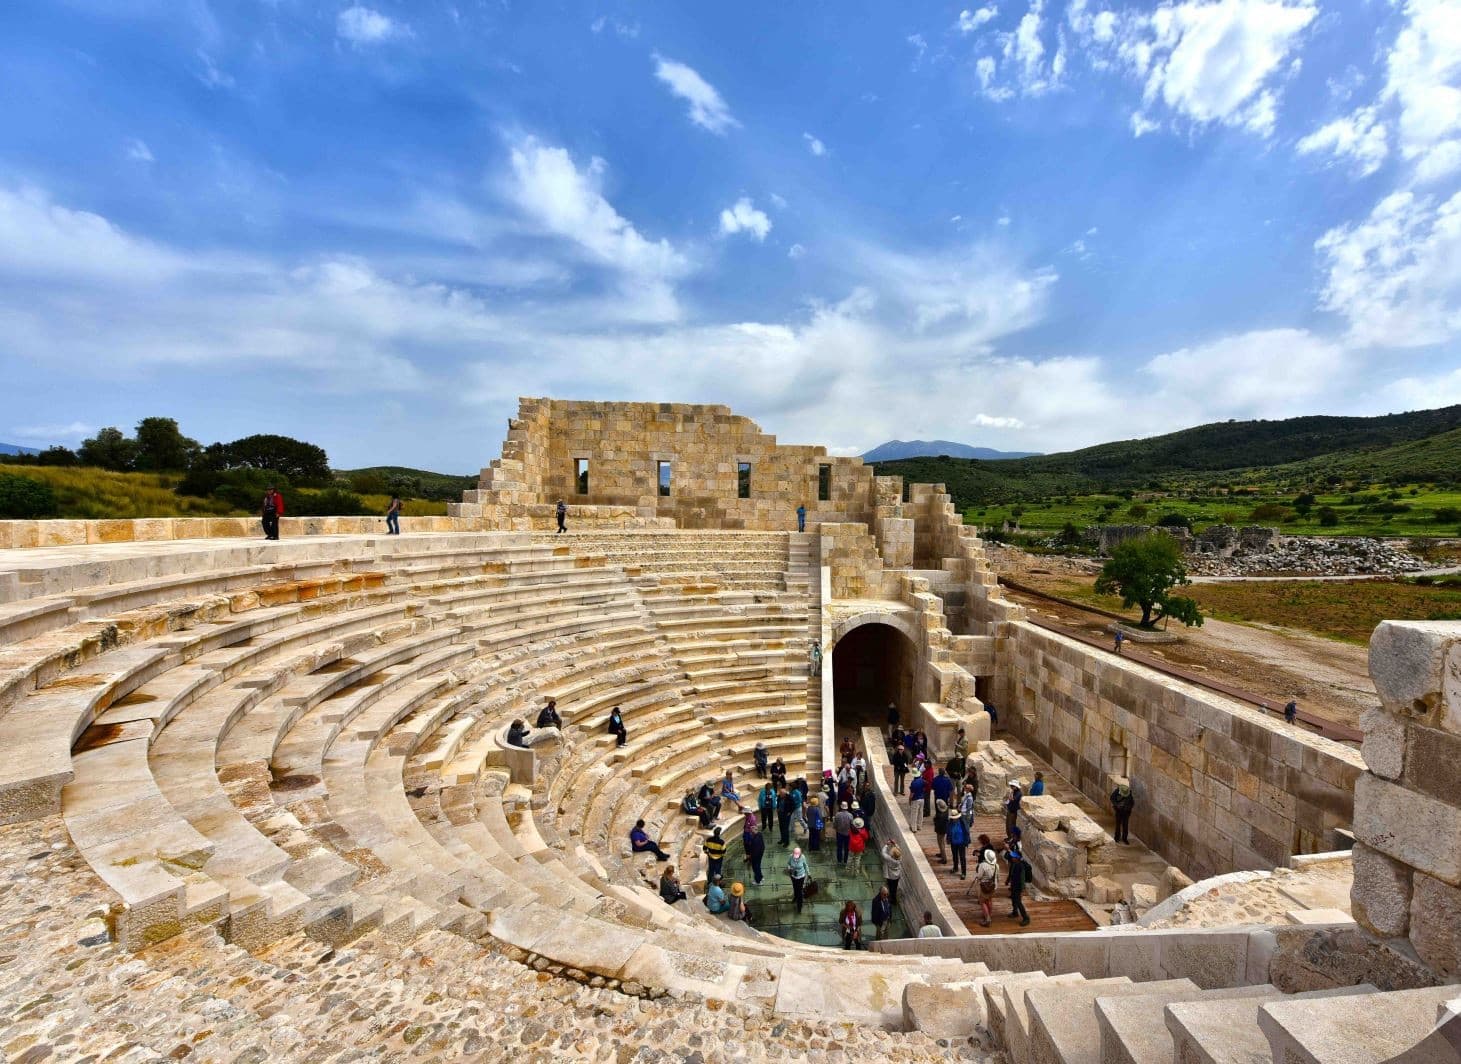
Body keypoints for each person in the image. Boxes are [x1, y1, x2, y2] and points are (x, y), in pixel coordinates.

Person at [1006, 846, 1031, 925]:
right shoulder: (1014, 863)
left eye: (1013, 856)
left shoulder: (1021, 866)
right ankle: (1015, 912)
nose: (1012, 857)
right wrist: (1008, 880)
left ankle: (1026, 918)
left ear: (1017, 858)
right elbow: (1011, 872)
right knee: (1013, 899)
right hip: (1013, 885)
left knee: (1018, 902)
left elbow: (1022, 878)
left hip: (1018, 886)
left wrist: (1022, 890)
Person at [975, 849, 999, 926]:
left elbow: (979, 876)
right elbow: (997, 876)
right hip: (993, 886)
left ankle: (987, 919)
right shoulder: (996, 865)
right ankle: (989, 915)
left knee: (982, 902)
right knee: (989, 900)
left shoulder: (983, 865)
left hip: (984, 887)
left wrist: (977, 878)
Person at [786, 847, 810, 913]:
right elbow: (788, 864)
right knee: (795, 887)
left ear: (800, 854)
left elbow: (805, 865)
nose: (796, 856)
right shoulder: (791, 856)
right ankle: (795, 897)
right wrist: (789, 868)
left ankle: (799, 906)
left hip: (801, 876)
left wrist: (808, 873)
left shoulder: (803, 857)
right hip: (793, 876)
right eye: (795, 854)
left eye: (797, 854)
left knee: (799, 891)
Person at [1110, 780, 1135, 844]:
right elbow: (1112, 798)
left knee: (1125, 825)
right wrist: (1117, 805)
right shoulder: (1116, 791)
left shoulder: (1129, 794)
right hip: (1118, 811)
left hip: (1126, 812)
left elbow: (1132, 803)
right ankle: (1117, 837)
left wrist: (1126, 807)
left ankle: (1125, 838)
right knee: (1118, 825)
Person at [743, 819, 766, 885]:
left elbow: (754, 851)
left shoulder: (755, 840)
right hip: (760, 854)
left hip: (755, 856)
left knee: (755, 868)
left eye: (751, 832)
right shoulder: (759, 834)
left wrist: (750, 857)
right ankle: (761, 877)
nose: (750, 833)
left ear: (753, 832)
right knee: (758, 866)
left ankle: (758, 881)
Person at [948, 813, 970, 879]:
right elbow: (949, 831)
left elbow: (967, 832)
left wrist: (966, 841)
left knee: (962, 858)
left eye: (955, 818)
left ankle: (963, 873)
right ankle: (955, 868)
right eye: (953, 818)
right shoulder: (950, 823)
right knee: (954, 856)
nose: (954, 819)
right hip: (953, 843)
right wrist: (948, 839)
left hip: (961, 843)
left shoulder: (963, 822)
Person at [933, 799, 950, 864]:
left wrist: (935, 820)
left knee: (941, 843)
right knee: (942, 842)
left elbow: (937, 822)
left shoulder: (940, 815)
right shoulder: (947, 810)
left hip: (940, 830)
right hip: (944, 828)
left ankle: (944, 859)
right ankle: (941, 853)